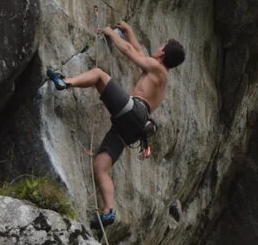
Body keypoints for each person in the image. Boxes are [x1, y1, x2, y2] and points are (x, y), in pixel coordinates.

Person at [47, 21, 185, 228]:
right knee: (100, 167)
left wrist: (111, 33)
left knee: (99, 75)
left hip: (133, 112)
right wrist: (128, 30)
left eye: (161, 46)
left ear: (163, 54)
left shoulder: (157, 68)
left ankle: (64, 82)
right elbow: (138, 51)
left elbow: (130, 52)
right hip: (133, 128)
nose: (157, 48)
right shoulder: (161, 76)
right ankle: (108, 211)